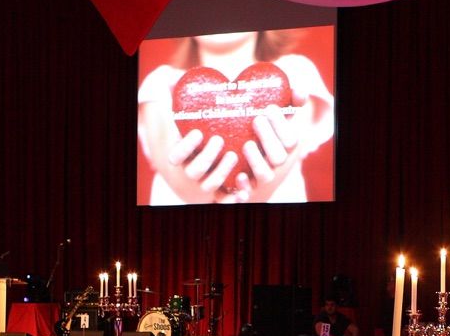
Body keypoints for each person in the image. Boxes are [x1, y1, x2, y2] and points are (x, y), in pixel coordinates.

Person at [137, 30, 335, 205]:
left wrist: (249, 187)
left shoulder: (293, 73)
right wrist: (199, 185)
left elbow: (266, 187)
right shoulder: (161, 83)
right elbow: (178, 183)